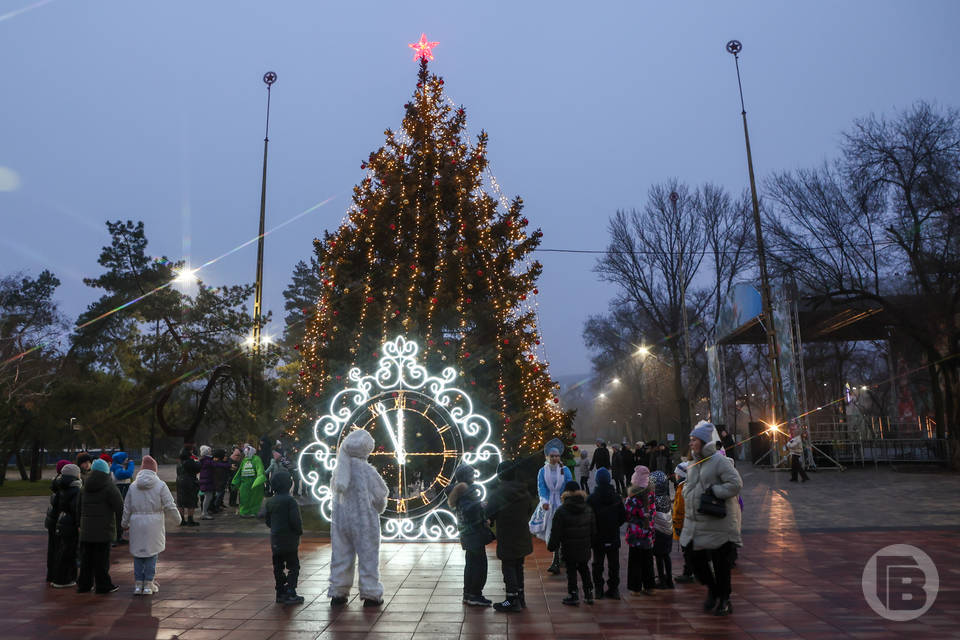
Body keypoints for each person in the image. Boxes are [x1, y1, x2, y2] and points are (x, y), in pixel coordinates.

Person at [681, 421, 743, 617]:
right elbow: (689, 485)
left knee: (720, 564)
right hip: (697, 522)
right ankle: (713, 589)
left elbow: (735, 484)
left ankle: (724, 600)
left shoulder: (719, 461)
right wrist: (686, 493)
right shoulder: (693, 463)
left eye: (694, 440)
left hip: (718, 522)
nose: (691, 443)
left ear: (704, 441)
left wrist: (715, 491)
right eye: (690, 440)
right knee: (694, 558)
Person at [328, 429, 388, 608]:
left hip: (341, 521)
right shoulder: (367, 471)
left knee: (340, 555)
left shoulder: (340, 470)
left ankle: (338, 592)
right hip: (364, 521)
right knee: (368, 556)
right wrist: (379, 507)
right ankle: (370, 593)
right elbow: (380, 495)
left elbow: (335, 492)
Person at [121, 455, 180, 595]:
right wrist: (177, 519)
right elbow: (169, 504)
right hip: (154, 523)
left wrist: (124, 523)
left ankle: (138, 584)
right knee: (152, 554)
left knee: (138, 554)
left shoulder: (133, 486)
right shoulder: (161, 485)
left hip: (136, 523)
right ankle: (148, 584)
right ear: (155, 470)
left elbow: (127, 507)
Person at [486, 460, 533, 612]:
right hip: (522, 534)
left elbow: (490, 513)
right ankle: (520, 597)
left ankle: (511, 600)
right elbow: (529, 509)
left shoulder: (498, 493)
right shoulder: (524, 491)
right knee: (518, 565)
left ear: (500, 475)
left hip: (507, 535)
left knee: (508, 566)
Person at [448, 464, 495, 607]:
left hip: (468, 534)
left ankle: (468, 593)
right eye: (472, 474)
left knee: (471, 564)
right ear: (466, 476)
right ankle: (475, 594)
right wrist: (480, 506)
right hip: (474, 534)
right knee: (479, 565)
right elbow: (469, 510)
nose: (474, 476)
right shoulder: (466, 491)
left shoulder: (459, 491)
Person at [78, 458, 123, 594]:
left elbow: (78, 507)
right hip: (103, 529)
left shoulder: (84, 487)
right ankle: (103, 585)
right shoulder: (109, 486)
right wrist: (122, 525)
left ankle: (84, 585)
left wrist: (79, 524)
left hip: (86, 530)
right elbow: (119, 506)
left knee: (86, 559)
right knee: (101, 559)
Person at [547, 480, 596, 606]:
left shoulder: (561, 510)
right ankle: (589, 593)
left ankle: (573, 594)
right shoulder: (588, 509)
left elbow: (556, 531)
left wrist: (552, 545)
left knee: (571, 570)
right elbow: (593, 529)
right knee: (584, 568)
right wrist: (592, 544)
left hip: (568, 547)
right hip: (584, 546)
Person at [265, 470, 305, 605]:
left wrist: (274, 527)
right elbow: (295, 520)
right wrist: (299, 531)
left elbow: (266, 519)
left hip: (276, 539)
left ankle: (280, 592)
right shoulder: (290, 501)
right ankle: (290, 591)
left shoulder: (270, 501)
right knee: (293, 566)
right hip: (289, 540)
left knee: (278, 566)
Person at [587, 468, 626, 600]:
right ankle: (614, 589)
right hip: (613, 535)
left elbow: (588, 517)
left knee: (597, 564)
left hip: (597, 536)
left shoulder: (591, 498)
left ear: (597, 480)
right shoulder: (616, 497)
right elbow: (623, 516)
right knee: (614, 564)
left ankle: (598, 589)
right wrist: (614, 525)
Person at [537, 438, 573, 575]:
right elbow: (541, 487)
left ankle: (562, 556)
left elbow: (569, 486)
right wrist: (544, 501)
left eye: (557, 456)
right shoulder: (542, 471)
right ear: (547, 457)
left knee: (564, 530)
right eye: (552, 456)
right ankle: (555, 559)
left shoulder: (565, 470)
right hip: (550, 506)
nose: (554, 458)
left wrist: (567, 500)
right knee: (553, 531)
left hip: (562, 503)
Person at [49, 463, 82, 588]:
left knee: (62, 551)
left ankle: (61, 577)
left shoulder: (61, 488)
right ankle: (63, 579)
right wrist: (79, 523)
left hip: (62, 521)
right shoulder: (75, 490)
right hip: (70, 524)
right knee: (69, 552)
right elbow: (76, 509)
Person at [625, 465, 656, 596]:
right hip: (648, 534)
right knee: (648, 561)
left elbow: (627, 515)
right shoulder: (651, 495)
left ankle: (635, 587)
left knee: (635, 562)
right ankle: (649, 586)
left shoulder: (632, 499)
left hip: (635, 535)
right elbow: (653, 512)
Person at [45, 459, 71, 584]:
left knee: (52, 549)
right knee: (58, 549)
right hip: (57, 522)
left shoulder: (56, 483)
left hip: (52, 521)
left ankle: (51, 574)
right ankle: (57, 575)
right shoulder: (63, 486)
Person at [671, 462, 695, 584]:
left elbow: (679, 510)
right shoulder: (692, 485)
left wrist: (677, 525)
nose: (675, 476)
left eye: (676, 473)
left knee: (688, 551)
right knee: (693, 549)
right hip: (693, 524)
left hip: (685, 525)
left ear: (680, 475)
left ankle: (688, 573)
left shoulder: (682, 488)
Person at [650, 470, 674, 589]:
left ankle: (662, 581)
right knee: (666, 555)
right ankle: (669, 579)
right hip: (668, 530)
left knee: (659, 556)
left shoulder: (654, 499)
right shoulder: (667, 498)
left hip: (658, 531)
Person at [232, 444, 267, 517]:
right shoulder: (245, 460)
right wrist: (236, 481)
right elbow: (240, 471)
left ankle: (253, 511)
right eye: (246, 451)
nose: (246, 452)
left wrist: (259, 477)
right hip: (244, 484)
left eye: (248, 451)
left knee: (254, 498)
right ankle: (244, 511)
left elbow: (259, 468)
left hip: (253, 483)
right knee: (244, 498)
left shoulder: (256, 459)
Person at [198, 446, 230, 520]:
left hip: (206, 481)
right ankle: (204, 513)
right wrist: (229, 465)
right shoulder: (207, 461)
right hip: (207, 481)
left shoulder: (205, 460)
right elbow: (218, 464)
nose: (211, 452)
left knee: (208, 497)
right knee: (208, 497)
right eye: (209, 451)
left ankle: (205, 512)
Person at [110, 452, 135, 545]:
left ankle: (119, 536)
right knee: (119, 515)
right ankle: (117, 537)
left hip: (122, 492)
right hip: (120, 493)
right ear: (121, 459)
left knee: (120, 515)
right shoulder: (117, 468)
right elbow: (127, 474)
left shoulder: (117, 466)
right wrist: (131, 464)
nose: (127, 460)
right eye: (126, 459)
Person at [176, 445, 201, 526]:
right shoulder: (190, 461)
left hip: (179, 481)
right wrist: (196, 460)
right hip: (190, 482)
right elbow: (198, 468)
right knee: (191, 500)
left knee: (181, 501)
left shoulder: (179, 462)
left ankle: (182, 520)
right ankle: (190, 520)